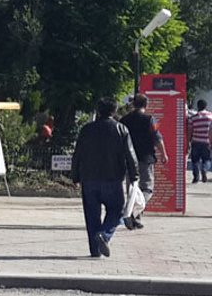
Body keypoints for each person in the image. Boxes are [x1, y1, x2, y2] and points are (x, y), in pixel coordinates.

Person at [71, 98, 138, 258]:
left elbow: (77, 154)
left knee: (92, 214)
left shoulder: (86, 129)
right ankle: (104, 235)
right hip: (113, 179)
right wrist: (134, 175)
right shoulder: (121, 129)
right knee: (117, 210)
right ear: (114, 111)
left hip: (89, 179)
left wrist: (75, 177)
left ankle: (95, 250)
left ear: (98, 110)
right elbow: (130, 155)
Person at [119, 94, 168, 229]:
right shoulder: (150, 120)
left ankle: (135, 217)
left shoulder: (124, 120)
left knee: (132, 189)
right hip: (146, 158)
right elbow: (157, 138)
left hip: (129, 159)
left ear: (133, 104)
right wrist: (164, 153)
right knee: (147, 188)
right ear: (146, 105)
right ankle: (133, 213)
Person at [187, 99, 212, 184]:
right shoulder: (210, 116)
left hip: (196, 141)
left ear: (198, 106)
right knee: (207, 159)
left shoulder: (193, 117)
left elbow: (190, 130)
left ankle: (196, 178)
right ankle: (204, 169)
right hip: (207, 142)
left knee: (195, 160)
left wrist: (188, 141)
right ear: (205, 106)